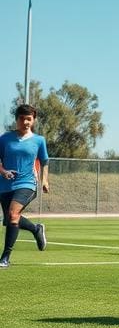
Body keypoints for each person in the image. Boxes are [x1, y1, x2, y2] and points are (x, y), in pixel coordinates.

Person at [0, 104, 49, 268]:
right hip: (5, 185)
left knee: (13, 214)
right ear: (17, 119)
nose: (26, 122)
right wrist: (3, 171)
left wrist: (45, 180)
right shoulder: (5, 138)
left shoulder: (39, 140)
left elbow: (44, 161)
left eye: (29, 119)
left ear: (33, 120)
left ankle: (5, 258)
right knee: (9, 219)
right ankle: (36, 229)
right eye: (22, 118)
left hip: (27, 184)